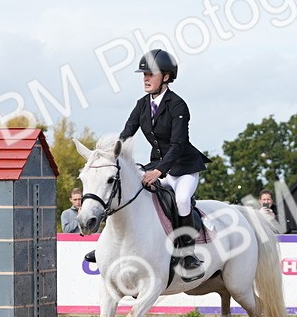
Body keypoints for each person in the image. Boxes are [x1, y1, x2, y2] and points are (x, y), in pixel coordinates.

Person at [85, 49, 211, 276]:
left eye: (150, 74)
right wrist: (110, 155)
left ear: (165, 76)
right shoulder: (142, 104)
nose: (145, 78)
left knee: (181, 199)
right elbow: (126, 133)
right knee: (122, 189)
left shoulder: (178, 105)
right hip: (157, 164)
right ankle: (107, 247)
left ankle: (187, 252)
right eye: (143, 74)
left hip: (183, 167)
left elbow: (178, 145)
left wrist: (159, 171)